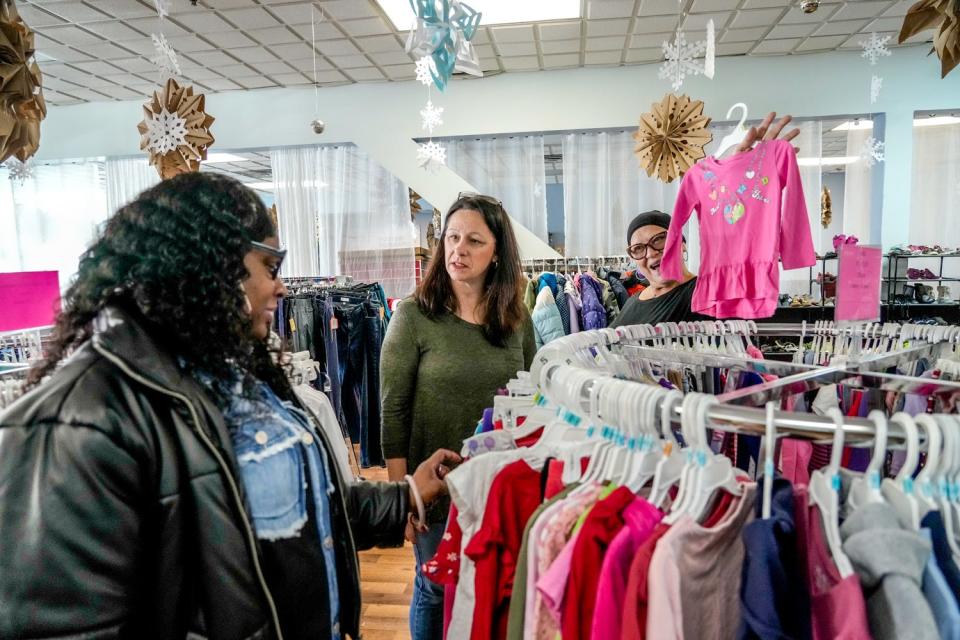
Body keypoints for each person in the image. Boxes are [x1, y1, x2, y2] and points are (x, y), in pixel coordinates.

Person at [0, 172, 461, 640]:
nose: (280, 289)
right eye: (271, 266)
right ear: (213, 264)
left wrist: (404, 495)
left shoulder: (233, 371)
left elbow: (286, 510)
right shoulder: (78, 421)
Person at [380, 192, 536, 640]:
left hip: (499, 483)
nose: (458, 250)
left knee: (492, 586)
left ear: (497, 252)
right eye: (451, 238)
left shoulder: (516, 319)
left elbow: (534, 397)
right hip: (436, 486)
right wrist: (401, 498)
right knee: (433, 587)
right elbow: (393, 412)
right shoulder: (413, 316)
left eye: (473, 240)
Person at [612, 113, 801, 328]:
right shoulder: (632, 304)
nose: (651, 252)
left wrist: (735, 175)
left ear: (680, 243)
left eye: (659, 240)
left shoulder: (706, 293)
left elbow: (733, 234)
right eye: (638, 248)